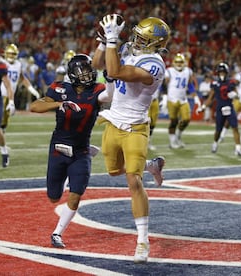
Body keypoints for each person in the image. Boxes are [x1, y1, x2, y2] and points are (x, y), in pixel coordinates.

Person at [92, 14, 169, 263]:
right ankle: (150, 165)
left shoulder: (154, 63)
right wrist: (105, 42)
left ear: (155, 44)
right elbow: (97, 65)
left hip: (135, 126)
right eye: (136, 35)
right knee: (114, 171)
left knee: (133, 182)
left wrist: (113, 40)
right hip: (114, 120)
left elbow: (114, 70)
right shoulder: (127, 48)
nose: (135, 40)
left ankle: (142, 241)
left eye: (142, 38)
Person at [29, 54, 113, 249]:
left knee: (76, 192)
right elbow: (35, 106)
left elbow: (109, 96)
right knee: (53, 197)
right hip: (59, 147)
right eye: (82, 71)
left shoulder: (97, 90)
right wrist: (59, 105)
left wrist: (110, 79)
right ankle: (64, 179)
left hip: (81, 150)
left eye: (89, 70)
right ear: (72, 74)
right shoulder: (60, 88)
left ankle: (57, 233)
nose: (87, 75)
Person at [0, 43, 40, 150]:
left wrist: (32, 90)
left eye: (13, 54)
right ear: (5, 54)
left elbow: (22, 78)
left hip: (10, 96)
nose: (11, 56)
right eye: (9, 54)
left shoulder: (18, 65)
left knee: (4, 121)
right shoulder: (0, 63)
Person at [197, 62, 241, 156]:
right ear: (218, 73)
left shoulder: (231, 82)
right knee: (218, 130)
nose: (222, 74)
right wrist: (204, 107)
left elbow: (237, 94)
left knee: (235, 127)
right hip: (220, 108)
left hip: (229, 107)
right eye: (220, 72)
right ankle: (215, 143)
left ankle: (238, 148)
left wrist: (235, 96)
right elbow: (210, 98)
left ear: (227, 73)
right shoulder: (215, 83)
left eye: (223, 72)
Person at [164, 53, 199, 148]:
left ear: (184, 63)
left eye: (181, 62)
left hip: (183, 99)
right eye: (177, 62)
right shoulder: (169, 71)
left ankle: (178, 136)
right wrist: (164, 96)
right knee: (173, 121)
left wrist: (195, 96)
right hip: (172, 99)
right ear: (174, 62)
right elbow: (164, 84)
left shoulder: (188, 71)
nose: (179, 64)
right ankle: (172, 142)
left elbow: (190, 84)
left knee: (186, 119)